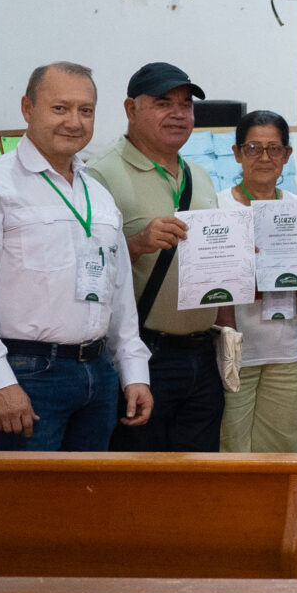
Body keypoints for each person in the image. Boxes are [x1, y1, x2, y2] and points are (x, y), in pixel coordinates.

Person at [0, 62, 152, 451]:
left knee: (87, 503)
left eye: (85, 110)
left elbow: (119, 292)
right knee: (29, 505)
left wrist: (134, 370)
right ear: (27, 109)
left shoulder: (98, 195)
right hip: (28, 375)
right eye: (60, 108)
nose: (74, 121)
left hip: (99, 376)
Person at [86, 61, 228, 452]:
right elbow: (82, 267)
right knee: (140, 479)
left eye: (186, 105)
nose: (179, 114)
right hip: (142, 355)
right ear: (131, 109)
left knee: (197, 478)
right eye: (164, 103)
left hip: (202, 353)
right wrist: (136, 243)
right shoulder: (100, 175)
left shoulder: (200, 175)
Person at [222, 112, 297, 454]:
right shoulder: (216, 206)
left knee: (283, 449)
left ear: (287, 155)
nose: (265, 157)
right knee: (231, 448)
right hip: (234, 349)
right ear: (237, 153)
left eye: (274, 148)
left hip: (286, 348)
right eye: (254, 148)